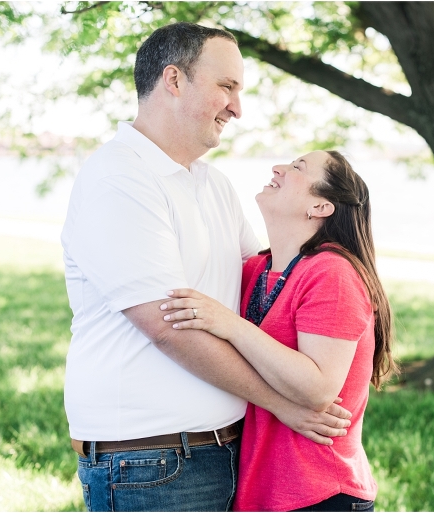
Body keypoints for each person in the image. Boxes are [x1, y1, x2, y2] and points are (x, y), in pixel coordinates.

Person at [60, 23, 351, 512]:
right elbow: (169, 328)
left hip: (223, 453)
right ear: (173, 80)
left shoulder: (212, 184)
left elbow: (265, 289)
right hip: (151, 466)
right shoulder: (120, 178)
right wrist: (283, 404)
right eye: (227, 87)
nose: (237, 107)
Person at [161, 150, 397, 511]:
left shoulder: (332, 273)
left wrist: (231, 325)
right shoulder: (258, 270)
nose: (278, 167)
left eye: (298, 167)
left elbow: (318, 389)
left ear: (320, 207)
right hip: (262, 492)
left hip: (319, 492)